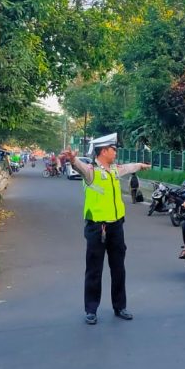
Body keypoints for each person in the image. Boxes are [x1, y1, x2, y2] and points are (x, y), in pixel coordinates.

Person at [62, 137, 151, 325]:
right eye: (113, 149)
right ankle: (91, 309)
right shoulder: (91, 172)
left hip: (116, 226)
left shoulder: (114, 170)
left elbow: (127, 167)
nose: (116, 152)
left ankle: (120, 306)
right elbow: (79, 166)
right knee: (94, 270)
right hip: (97, 227)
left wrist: (139, 165)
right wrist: (72, 159)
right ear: (103, 151)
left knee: (119, 268)